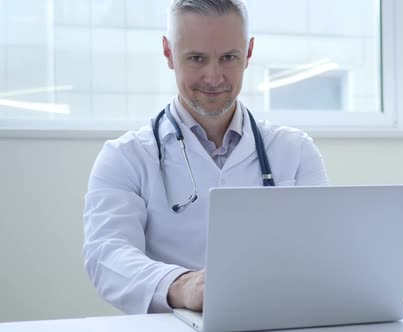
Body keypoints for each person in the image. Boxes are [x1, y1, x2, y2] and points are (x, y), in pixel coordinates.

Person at [83, 0, 328, 315]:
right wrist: (182, 286)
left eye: (228, 58)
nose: (214, 78)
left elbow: (321, 253)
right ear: (169, 53)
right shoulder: (125, 157)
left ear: (249, 52)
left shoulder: (295, 151)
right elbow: (107, 256)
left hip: (272, 319)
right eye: (197, 59)